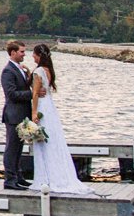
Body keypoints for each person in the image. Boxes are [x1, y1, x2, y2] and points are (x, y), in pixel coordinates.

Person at [26, 42, 97, 195]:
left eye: (34, 53)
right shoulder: (48, 70)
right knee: (52, 140)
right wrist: (27, 72)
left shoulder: (39, 71)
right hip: (50, 107)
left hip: (42, 107)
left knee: (43, 141)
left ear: (39, 55)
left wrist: (33, 113)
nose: (32, 56)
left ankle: (45, 177)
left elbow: (35, 93)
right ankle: (56, 174)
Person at [0, 40, 34, 189]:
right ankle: (10, 180)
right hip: (13, 115)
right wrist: (32, 94)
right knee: (11, 148)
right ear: (13, 53)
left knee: (19, 148)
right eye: (21, 52)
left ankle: (18, 176)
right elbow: (11, 94)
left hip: (21, 115)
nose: (24, 54)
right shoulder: (8, 71)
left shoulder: (19, 69)